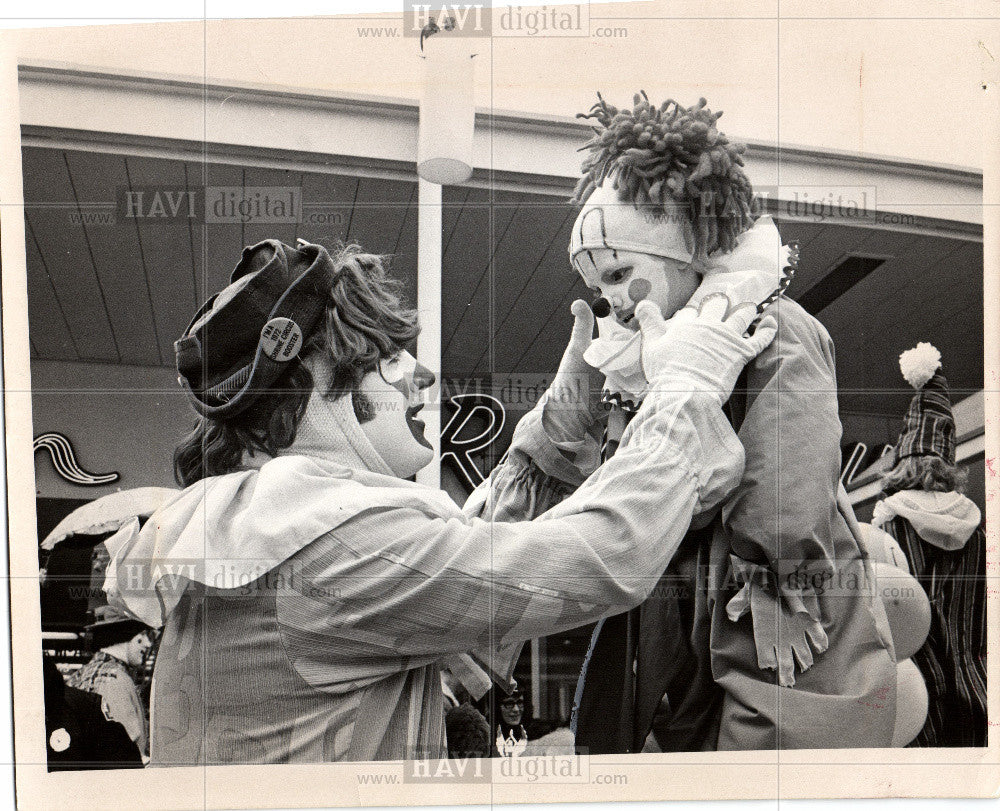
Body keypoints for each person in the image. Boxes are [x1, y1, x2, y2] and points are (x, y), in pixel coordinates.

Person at [101, 237, 775, 763]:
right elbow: (599, 557)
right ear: (308, 378)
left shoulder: (277, 523)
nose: (422, 374)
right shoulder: (334, 546)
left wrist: (547, 440)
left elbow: (445, 572)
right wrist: (682, 394)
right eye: (388, 355)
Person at [568, 92, 899, 752]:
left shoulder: (776, 328)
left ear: (686, 248)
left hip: (766, 589)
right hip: (698, 593)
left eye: (618, 273)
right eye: (596, 282)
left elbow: (791, 459)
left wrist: (781, 575)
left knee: (773, 731)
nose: (608, 298)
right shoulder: (661, 361)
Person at [871, 342, 987, 746]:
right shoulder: (978, 530)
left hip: (916, 694)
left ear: (902, 464)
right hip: (979, 688)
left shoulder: (889, 528)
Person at [65, 605, 153, 758]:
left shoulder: (85, 672)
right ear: (125, 635)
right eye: (143, 634)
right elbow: (124, 748)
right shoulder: (114, 680)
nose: (148, 643)